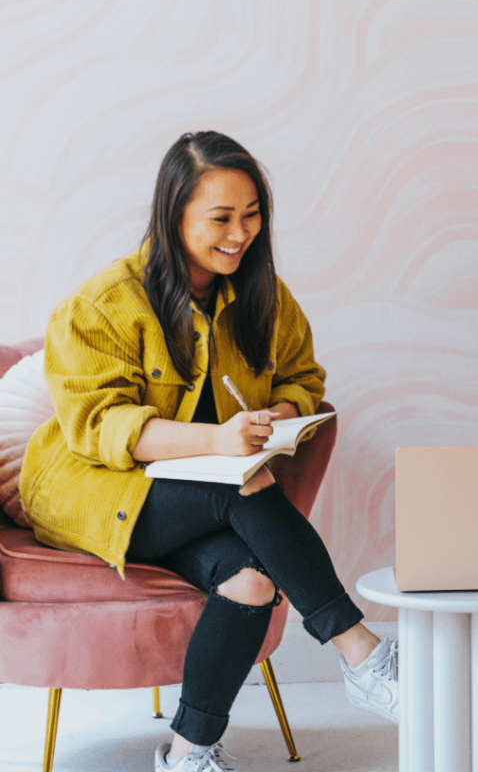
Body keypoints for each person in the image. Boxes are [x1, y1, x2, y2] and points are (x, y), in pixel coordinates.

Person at [20, 132, 399, 772]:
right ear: (173, 217)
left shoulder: (263, 297)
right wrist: (220, 442)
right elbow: (102, 426)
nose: (240, 233)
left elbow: (304, 380)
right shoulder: (101, 304)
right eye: (220, 218)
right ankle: (363, 651)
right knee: (242, 484)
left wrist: (279, 414)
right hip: (94, 492)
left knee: (250, 582)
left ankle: (190, 752)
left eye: (251, 215)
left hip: (203, 502)